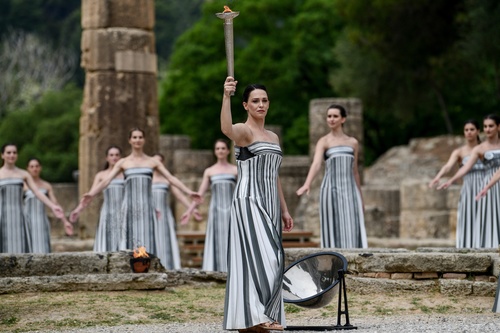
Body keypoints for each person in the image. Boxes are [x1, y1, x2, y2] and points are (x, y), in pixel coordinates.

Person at [221, 76, 294, 333]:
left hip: (270, 204)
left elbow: (274, 175)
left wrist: (284, 209)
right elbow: (226, 129)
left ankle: (253, 320)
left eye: (264, 100)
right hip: (248, 200)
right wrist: (226, 95)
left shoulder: (273, 137)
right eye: (255, 101)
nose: (260, 105)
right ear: (246, 105)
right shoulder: (244, 131)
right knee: (265, 259)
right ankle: (258, 315)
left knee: (271, 258)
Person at [70, 128, 201, 255]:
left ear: (144, 140)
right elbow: (106, 181)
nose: (137, 140)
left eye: (140, 137)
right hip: (129, 207)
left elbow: (171, 178)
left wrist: (189, 192)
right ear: (130, 140)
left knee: (147, 238)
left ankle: (148, 268)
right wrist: (91, 194)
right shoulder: (123, 162)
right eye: (135, 137)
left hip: (146, 207)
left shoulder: (152, 162)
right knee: (129, 239)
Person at [296, 104, 367, 249]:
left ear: (343, 119)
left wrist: (360, 197)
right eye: (329, 116)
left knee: (352, 226)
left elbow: (355, 171)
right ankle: (334, 265)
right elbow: (316, 164)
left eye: (335, 116)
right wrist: (307, 183)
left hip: (350, 190)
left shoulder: (353, 143)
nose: (331, 119)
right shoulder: (324, 141)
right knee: (332, 227)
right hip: (330, 189)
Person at [439, 114, 500, 248]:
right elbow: (465, 168)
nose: (488, 129)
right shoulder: (479, 149)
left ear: (498, 127)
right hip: (488, 185)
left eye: (491, 126)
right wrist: (451, 179)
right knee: (489, 220)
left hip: (494, 182)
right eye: (485, 126)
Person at [428, 120, 484, 248]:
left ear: (478, 131)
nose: (469, 132)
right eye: (466, 130)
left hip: (485, 186)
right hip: (469, 187)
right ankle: (467, 247)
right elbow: (448, 166)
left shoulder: (484, 148)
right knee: (468, 218)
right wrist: (438, 177)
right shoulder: (459, 152)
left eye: (472, 129)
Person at [0, 143, 65, 253]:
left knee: (20, 248)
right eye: (8, 152)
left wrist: (53, 206)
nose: (12, 155)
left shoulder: (23, 174)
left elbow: (37, 193)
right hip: (2, 216)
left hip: (19, 216)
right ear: (2, 155)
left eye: (14, 152)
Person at [186, 139, 237, 272]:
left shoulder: (235, 170)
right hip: (216, 211)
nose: (220, 151)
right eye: (218, 148)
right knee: (217, 239)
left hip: (232, 210)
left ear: (228, 151)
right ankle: (217, 269)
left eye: (223, 148)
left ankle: (234, 269)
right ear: (215, 151)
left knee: (233, 238)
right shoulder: (209, 171)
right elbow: (200, 194)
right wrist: (190, 211)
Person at [151, 153, 201, 270]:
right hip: (151, 214)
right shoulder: (148, 179)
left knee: (165, 240)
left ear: (162, 163)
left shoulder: (166, 180)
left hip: (164, 215)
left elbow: (180, 196)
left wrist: (192, 210)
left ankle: (167, 266)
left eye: (159, 161)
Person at [70, 146, 124, 252]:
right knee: (107, 239)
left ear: (120, 157)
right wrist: (78, 210)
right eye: (111, 155)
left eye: (117, 155)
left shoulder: (125, 174)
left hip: (123, 211)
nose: (114, 157)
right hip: (108, 211)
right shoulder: (101, 175)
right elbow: (90, 195)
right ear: (107, 158)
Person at [24, 158, 74, 253]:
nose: (35, 169)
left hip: (42, 220)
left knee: (42, 248)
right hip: (27, 221)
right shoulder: (23, 185)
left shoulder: (46, 186)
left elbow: (55, 204)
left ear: (40, 168)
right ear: (27, 168)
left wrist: (65, 222)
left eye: (37, 166)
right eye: (32, 166)